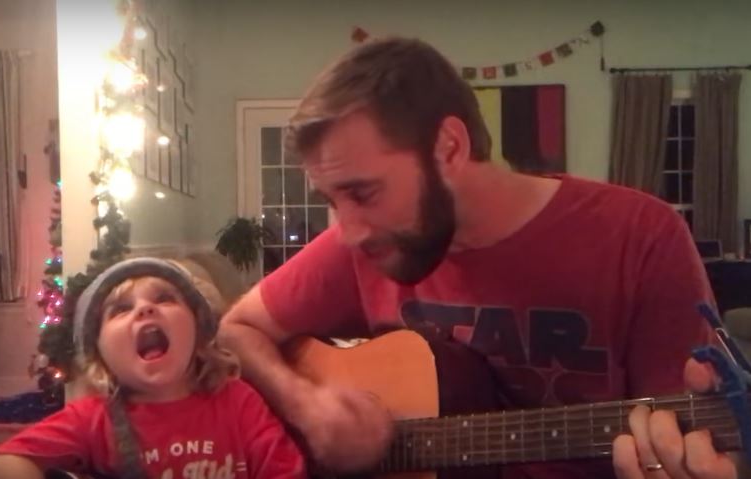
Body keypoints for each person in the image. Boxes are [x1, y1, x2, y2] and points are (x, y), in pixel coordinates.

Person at [218, 37, 738, 479]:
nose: (346, 232)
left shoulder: (639, 236)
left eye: (363, 192)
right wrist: (307, 407)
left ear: (449, 147)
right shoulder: (369, 245)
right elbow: (236, 330)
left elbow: (694, 429)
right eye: (333, 200)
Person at [0, 258, 306, 479]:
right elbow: (1, 465)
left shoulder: (238, 402)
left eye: (165, 298)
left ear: (199, 330)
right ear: (101, 353)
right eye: (121, 309)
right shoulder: (93, 418)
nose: (145, 309)